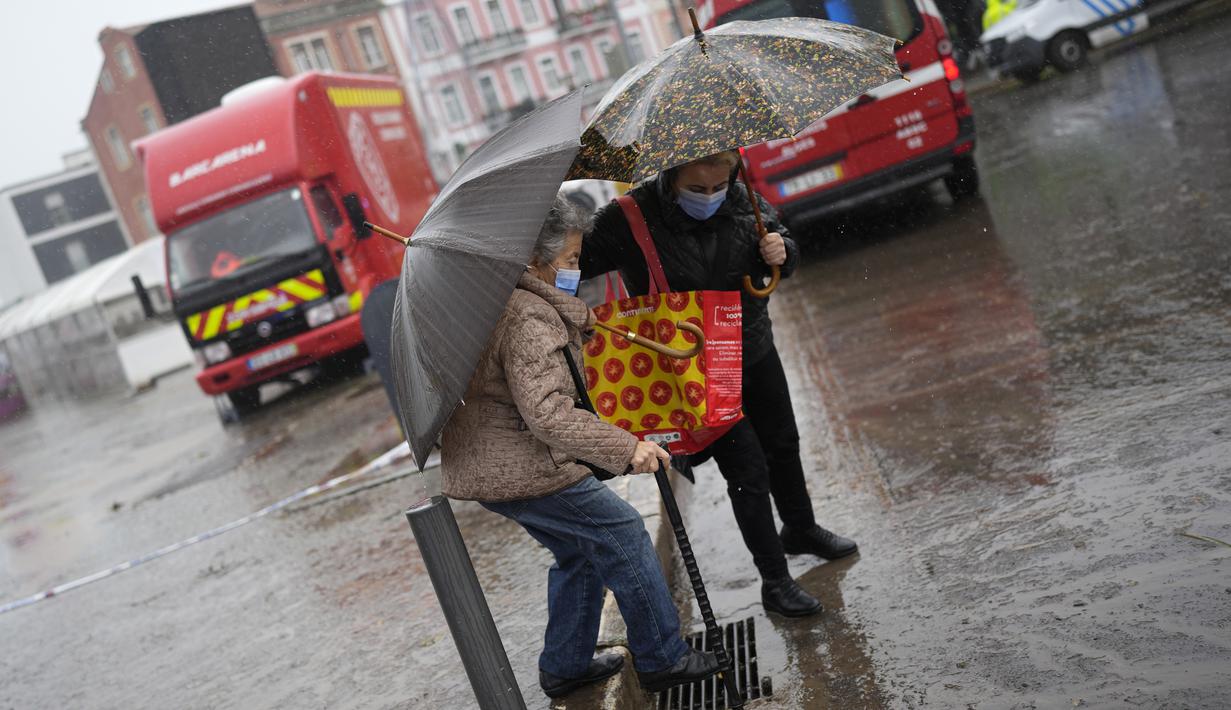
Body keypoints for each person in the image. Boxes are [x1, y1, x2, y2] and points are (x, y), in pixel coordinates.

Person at [440, 196, 720, 699]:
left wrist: (577, 321)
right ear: (534, 261)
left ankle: (565, 665)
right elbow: (548, 413)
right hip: (523, 466)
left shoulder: (515, 303)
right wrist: (627, 448)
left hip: (496, 464)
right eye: (570, 259)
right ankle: (663, 657)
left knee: (579, 552)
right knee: (623, 531)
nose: (577, 268)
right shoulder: (529, 317)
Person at [582, 151, 859, 618]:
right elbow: (572, 264)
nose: (710, 198)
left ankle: (801, 528)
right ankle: (775, 582)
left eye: (719, 187)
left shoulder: (744, 199)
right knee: (747, 471)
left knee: (783, 443)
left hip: (753, 346)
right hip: (696, 371)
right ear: (670, 176)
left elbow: (784, 252)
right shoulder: (630, 217)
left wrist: (783, 251)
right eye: (697, 189)